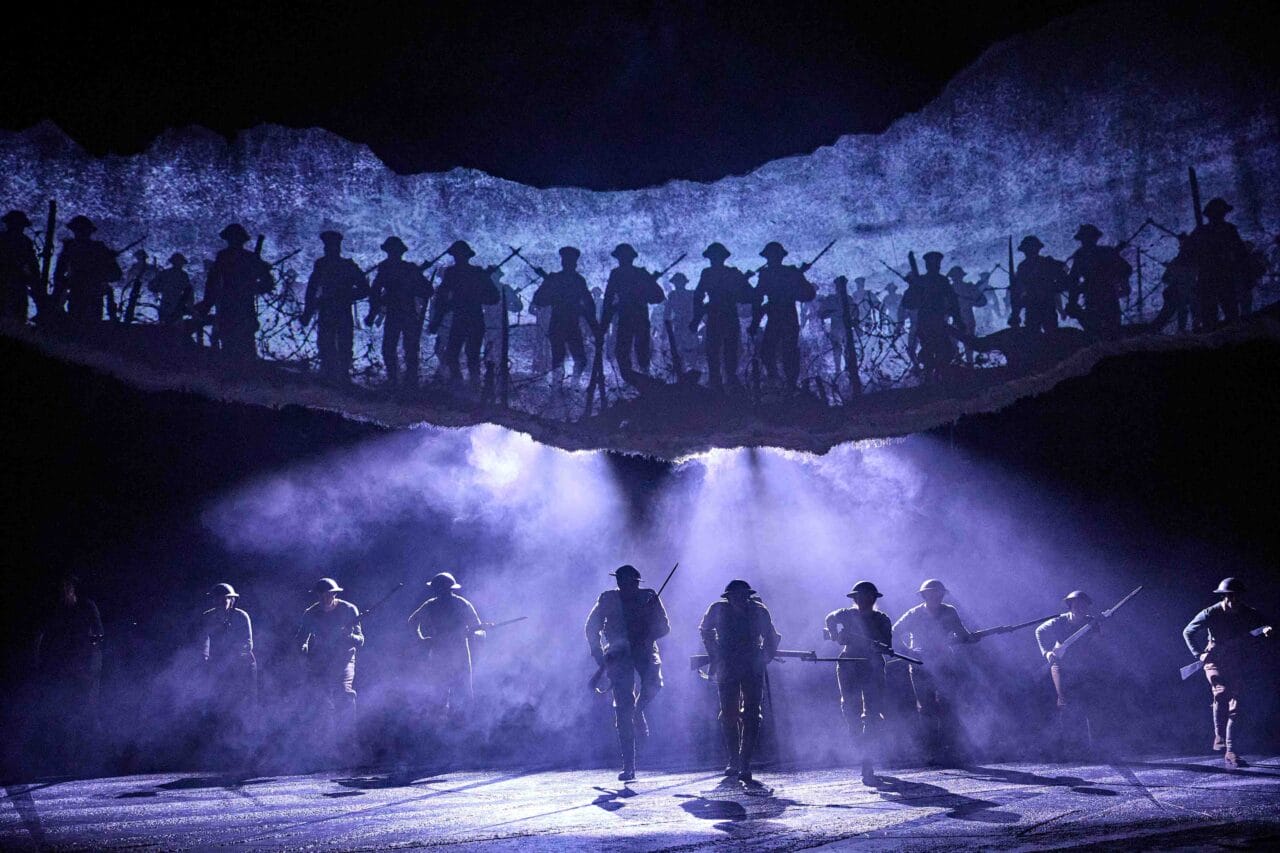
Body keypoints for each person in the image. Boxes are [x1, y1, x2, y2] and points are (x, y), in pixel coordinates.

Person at [584, 565, 671, 781]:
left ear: (636, 583)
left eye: (628, 582)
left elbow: (664, 627)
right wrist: (598, 654)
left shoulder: (649, 597)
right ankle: (629, 765)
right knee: (623, 707)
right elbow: (591, 627)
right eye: (621, 581)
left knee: (654, 684)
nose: (624, 585)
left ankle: (638, 711)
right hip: (618, 653)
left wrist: (646, 632)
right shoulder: (607, 599)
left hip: (645, 650)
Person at [1182, 578, 1274, 768]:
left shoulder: (1248, 612)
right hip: (1214, 660)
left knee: (1236, 705)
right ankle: (1219, 735)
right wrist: (1199, 654)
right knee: (1221, 692)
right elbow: (1188, 631)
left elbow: (1266, 623)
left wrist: (1267, 629)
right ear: (1224, 596)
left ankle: (1231, 751)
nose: (1234, 600)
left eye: (1237, 596)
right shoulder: (1211, 612)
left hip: (1236, 662)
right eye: (1230, 596)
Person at [699, 579, 780, 784]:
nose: (740, 600)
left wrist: (765, 657)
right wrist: (715, 653)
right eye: (735, 596)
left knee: (752, 713)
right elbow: (705, 630)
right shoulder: (717, 609)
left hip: (752, 664)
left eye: (743, 596)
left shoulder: (759, 611)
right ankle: (733, 759)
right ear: (728, 597)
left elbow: (771, 637)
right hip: (727, 664)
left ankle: (745, 762)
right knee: (728, 713)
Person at [892, 579, 974, 764]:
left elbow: (962, 634)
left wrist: (968, 638)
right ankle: (931, 751)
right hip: (920, 665)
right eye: (932, 593)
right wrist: (909, 652)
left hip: (945, 664)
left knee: (948, 706)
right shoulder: (914, 614)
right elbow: (894, 632)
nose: (936, 596)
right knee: (926, 708)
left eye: (939, 593)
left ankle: (950, 748)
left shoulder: (949, 611)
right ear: (924, 595)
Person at [33, 574, 104, 773]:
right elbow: (42, 633)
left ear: (73, 589)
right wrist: (38, 656)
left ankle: (93, 758)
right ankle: (70, 760)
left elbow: (99, 632)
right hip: (66, 668)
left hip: (87, 667)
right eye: (61, 588)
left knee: (87, 710)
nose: (64, 592)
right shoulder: (58, 610)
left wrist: (92, 643)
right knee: (67, 712)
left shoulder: (86, 606)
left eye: (67, 588)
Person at [824, 580, 892, 785]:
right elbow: (830, 618)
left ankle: (867, 759)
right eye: (860, 597)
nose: (864, 601)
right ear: (855, 599)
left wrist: (877, 646)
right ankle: (860, 746)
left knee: (872, 712)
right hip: (849, 664)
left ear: (873, 599)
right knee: (850, 709)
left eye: (868, 597)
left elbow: (887, 645)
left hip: (872, 666)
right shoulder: (846, 614)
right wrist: (835, 634)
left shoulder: (882, 619)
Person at [1036, 590, 1105, 757]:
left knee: (1087, 704)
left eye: (1083, 605)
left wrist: (1098, 627)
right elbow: (1039, 631)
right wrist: (1047, 653)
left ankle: (1090, 749)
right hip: (1061, 666)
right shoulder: (1059, 621)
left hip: (1083, 668)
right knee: (1065, 703)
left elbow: (1097, 644)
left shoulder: (1092, 622)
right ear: (1070, 605)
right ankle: (1068, 748)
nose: (1080, 607)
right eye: (1077, 604)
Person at [408, 572, 484, 718]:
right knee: (439, 691)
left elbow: (478, 628)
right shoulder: (431, 605)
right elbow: (412, 622)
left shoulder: (462, 604)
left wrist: (474, 634)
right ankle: (439, 724)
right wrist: (422, 640)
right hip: (440, 651)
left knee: (462, 691)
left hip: (459, 651)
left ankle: (463, 723)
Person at [300, 578, 364, 743]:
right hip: (321, 659)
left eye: (328, 595)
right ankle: (327, 740)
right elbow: (302, 636)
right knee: (322, 699)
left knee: (344, 692)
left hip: (344, 659)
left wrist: (348, 636)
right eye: (321, 595)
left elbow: (361, 640)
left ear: (334, 594)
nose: (324, 599)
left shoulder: (349, 609)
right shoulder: (311, 613)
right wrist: (303, 646)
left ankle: (349, 737)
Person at [200, 223, 274, 364]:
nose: (233, 241)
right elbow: (213, 281)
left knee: (238, 343)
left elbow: (212, 283)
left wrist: (253, 286)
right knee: (239, 344)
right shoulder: (241, 257)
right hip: (235, 305)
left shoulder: (228, 256)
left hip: (234, 305)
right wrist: (254, 287)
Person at [428, 240, 500, 386]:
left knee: (467, 354)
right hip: (466, 318)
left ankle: (468, 385)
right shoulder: (468, 273)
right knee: (457, 354)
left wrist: (473, 297)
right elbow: (442, 298)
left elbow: (494, 297)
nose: (457, 258)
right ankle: (463, 385)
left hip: (469, 318)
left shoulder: (457, 273)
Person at [200, 582, 257, 761]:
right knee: (223, 705)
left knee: (245, 704)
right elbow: (204, 639)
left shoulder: (241, 616)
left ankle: (249, 747)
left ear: (232, 600)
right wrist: (205, 656)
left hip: (243, 666)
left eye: (225, 598)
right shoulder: (208, 617)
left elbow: (248, 643)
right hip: (220, 667)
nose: (222, 602)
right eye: (218, 599)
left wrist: (233, 655)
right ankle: (225, 748)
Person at [302, 230, 369, 384]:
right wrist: (308, 311)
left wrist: (347, 295)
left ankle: (341, 376)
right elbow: (311, 289)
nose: (328, 249)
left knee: (343, 343)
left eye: (330, 246)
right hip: (329, 309)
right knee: (327, 343)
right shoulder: (323, 264)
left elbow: (365, 289)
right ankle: (330, 375)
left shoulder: (346, 266)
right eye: (327, 246)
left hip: (340, 310)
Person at [366, 236, 433, 388]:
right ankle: (403, 381)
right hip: (401, 313)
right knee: (399, 348)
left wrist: (373, 312)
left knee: (403, 348)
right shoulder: (404, 269)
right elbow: (375, 292)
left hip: (401, 313)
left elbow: (427, 290)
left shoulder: (391, 268)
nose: (392, 254)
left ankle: (403, 381)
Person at [750, 241, 816, 386]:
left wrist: (798, 279)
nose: (771, 259)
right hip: (783, 316)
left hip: (780, 316)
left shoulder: (768, 274)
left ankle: (785, 383)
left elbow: (808, 294)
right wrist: (797, 277)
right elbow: (757, 298)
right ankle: (782, 382)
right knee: (775, 352)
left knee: (781, 352)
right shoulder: (788, 273)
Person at [690, 242, 754, 389]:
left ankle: (723, 382)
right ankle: (721, 382)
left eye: (715, 257)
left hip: (721, 314)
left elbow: (748, 295)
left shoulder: (711, 273)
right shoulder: (728, 273)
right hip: (723, 314)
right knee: (720, 350)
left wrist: (697, 318)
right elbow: (698, 296)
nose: (714, 260)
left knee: (723, 350)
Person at [532, 246, 596, 382]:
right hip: (564, 324)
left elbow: (589, 304)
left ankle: (571, 385)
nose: (569, 264)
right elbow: (539, 300)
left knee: (572, 360)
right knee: (563, 360)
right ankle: (563, 386)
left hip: (566, 325)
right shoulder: (575, 280)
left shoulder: (573, 280)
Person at [602, 243, 665, 379]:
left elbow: (658, 297)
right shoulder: (638, 274)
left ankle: (640, 380)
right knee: (633, 352)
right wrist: (650, 282)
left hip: (631, 317)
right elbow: (608, 299)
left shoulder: (618, 274)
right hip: (633, 317)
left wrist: (650, 283)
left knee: (632, 352)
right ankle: (638, 379)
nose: (622, 260)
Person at [1186, 198, 1249, 329]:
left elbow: (1189, 253)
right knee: (1222, 311)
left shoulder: (1203, 231)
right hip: (1218, 275)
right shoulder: (1227, 230)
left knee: (1219, 311)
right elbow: (1241, 253)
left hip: (1215, 275)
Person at [900, 251, 961, 379]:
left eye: (936, 264)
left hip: (930, 322)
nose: (935, 267)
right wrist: (913, 288)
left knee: (936, 351)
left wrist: (913, 286)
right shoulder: (940, 281)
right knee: (941, 350)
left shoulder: (924, 281)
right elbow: (953, 302)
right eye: (934, 264)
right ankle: (935, 375)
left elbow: (908, 303)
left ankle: (933, 375)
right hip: (932, 322)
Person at [52, 215, 123, 322]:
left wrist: (101, 274)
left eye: (82, 230)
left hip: (91, 295)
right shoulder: (71, 248)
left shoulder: (98, 249)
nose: (81, 233)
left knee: (87, 324)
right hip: (79, 294)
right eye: (79, 230)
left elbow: (116, 274)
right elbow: (59, 276)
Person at [1066, 224, 1130, 339]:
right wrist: (1122, 284)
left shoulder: (1081, 255)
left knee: (1100, 330)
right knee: (1110, 328)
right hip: (1103, 295)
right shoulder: (1104, 252)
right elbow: (1126, 269)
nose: (1086, 241)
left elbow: (1073, 280)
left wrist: (1072, 302)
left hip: (1098, 295)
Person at [1009, 236, 1067, 334]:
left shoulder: (1046, 263)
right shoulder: (1024, 267)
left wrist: (1015, 314)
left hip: (1043, 304)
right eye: (1028, 249)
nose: (1029, 252)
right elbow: (1017, 290)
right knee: (1038, 333)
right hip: (1034, 305)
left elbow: (1063, 276)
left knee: (1048, 333)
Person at [0, 209, 39, 321]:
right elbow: (33, 265)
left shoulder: (25, 241)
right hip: (12, 283)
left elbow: (32, 264)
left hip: (16, 284)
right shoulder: (24, 241)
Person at [482, 267, 523, 367]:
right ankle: (496, 368)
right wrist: (507, 305)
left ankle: (491, 369)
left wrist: (506, 305)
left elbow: (518, 307)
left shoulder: (483, 288)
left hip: (492, 323)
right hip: (498, 323)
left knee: (490, 347)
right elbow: (518, 306)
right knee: (498, 347)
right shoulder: (505, 288)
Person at [947, 266, 987, 364]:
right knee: (969, 345)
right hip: (967, 320)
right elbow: (982, 302)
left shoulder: (949, 290)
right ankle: (968, 365)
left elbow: (982, 301)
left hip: (957, 321)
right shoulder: (969, 287)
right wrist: (972, 300)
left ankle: (960, 364)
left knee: (955, 344)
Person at [148, 253, 195, 327]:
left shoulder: (183, 275)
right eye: (177, 261)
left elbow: (189, 291)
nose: (179, 264)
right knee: (164, 327)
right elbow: (151, 286)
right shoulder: (165, 273)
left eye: (180, 262)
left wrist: (190, 306)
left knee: (176, 326)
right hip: (165, 303)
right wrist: (163, 288)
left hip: (178, 305)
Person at [663, 272, 698, 365]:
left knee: (691, 348)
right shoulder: (673, 295)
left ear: (684, 283)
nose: (678, 284)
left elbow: (698, 310)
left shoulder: (691, 294)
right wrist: (665, 329)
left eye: (679, 282)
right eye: (676, 282)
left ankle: (690, 365)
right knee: (678, 348)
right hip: (680, 325)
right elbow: (667, 313)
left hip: (689, 324)